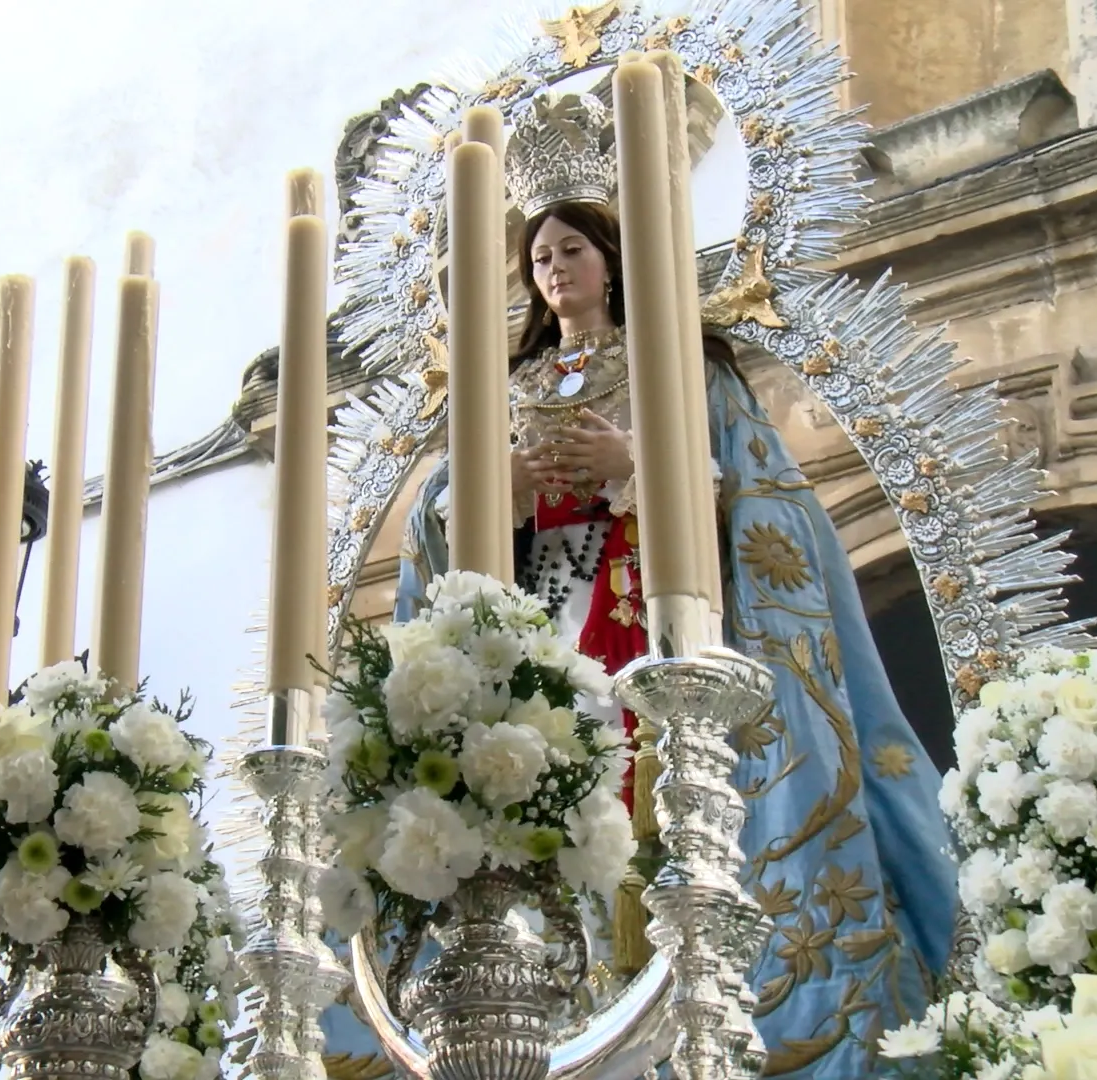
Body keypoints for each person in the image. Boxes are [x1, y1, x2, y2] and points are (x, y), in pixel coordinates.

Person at [392, 92, 958, 1076]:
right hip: (548, 631)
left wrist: (638, 464)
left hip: (660, 623)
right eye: (538, 257)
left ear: (612, 258)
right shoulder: (506, 389)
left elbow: (764, 502)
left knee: (667, 810)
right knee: (549, 807)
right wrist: (497, 486)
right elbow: (445, 530)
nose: (554, 269)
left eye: (572, 249)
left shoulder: (682, 365)